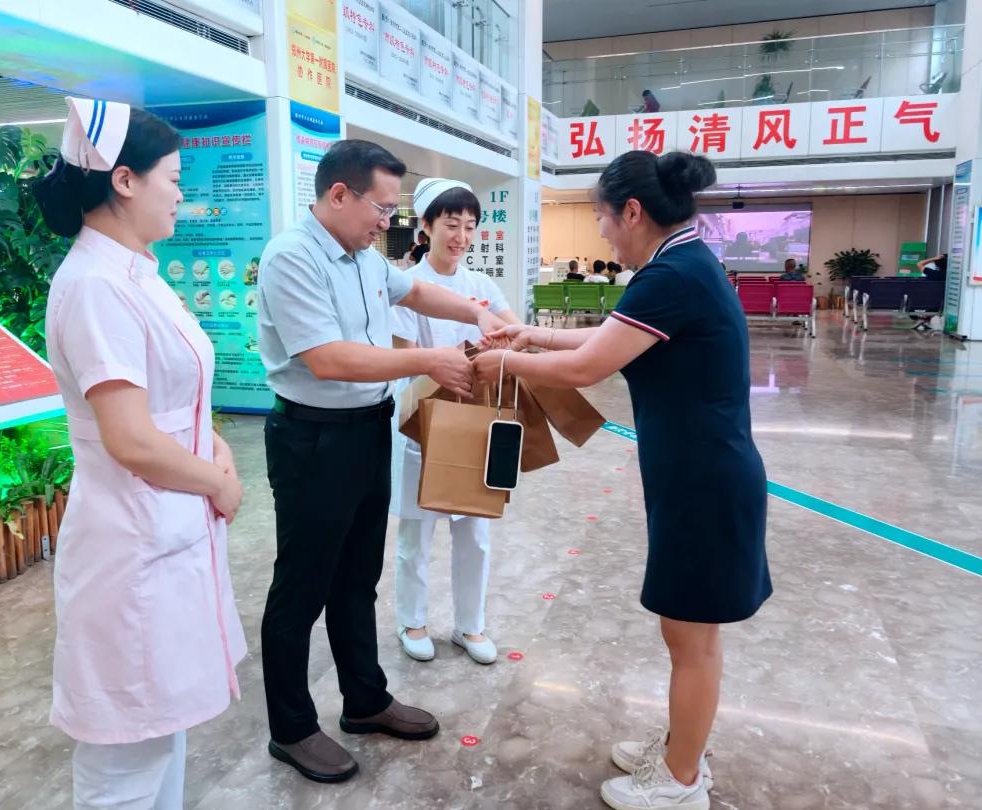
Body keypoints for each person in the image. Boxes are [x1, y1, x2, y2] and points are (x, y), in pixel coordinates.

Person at [473, 150, 771, 810]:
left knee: (689, 638)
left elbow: (587, 368)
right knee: (689, 631)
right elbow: (600, 343)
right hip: (700, 472)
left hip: (704, 481)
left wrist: (503, 362)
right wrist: (527, 334)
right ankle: (682, 748)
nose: (603, 233)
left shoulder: (672, 274)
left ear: (632, 212)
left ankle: (682, 780)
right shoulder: (683, 263)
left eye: (604, 218)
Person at [256, 140, 509, 784]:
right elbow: (328, 359)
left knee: (357, 578)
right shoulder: (292, 257)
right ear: (340, 194)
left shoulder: (366, 259)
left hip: (367, 429)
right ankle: (291, 727)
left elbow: (417, 293)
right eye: (382, 207)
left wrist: (479, 313)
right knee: (301, 588)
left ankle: (364, 700)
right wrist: (428, 360)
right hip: (313, 440)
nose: (387, 222)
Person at [35, 97, 248, 809]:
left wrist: (215, 446)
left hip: (166, 533)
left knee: (162, 732)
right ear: (124, 181)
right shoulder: (94, 287)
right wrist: (217, 484)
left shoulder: (137, 272)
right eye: (175, 179)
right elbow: (128, 438)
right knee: (125, 760)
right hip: (131, 546)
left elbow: (175, 395)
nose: (182, 195)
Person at [390, 178, 521, 666]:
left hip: (475, 422)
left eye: (470, 226)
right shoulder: (408, 286)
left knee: (476, 533)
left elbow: (514, 333)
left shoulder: (480, 286)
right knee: (417, 532)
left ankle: (470, 625)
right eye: (451, 224)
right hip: (422, 423)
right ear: (425, 226)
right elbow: (406, 358)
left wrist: (505, 344)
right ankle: (412, 620)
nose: (462, 236)